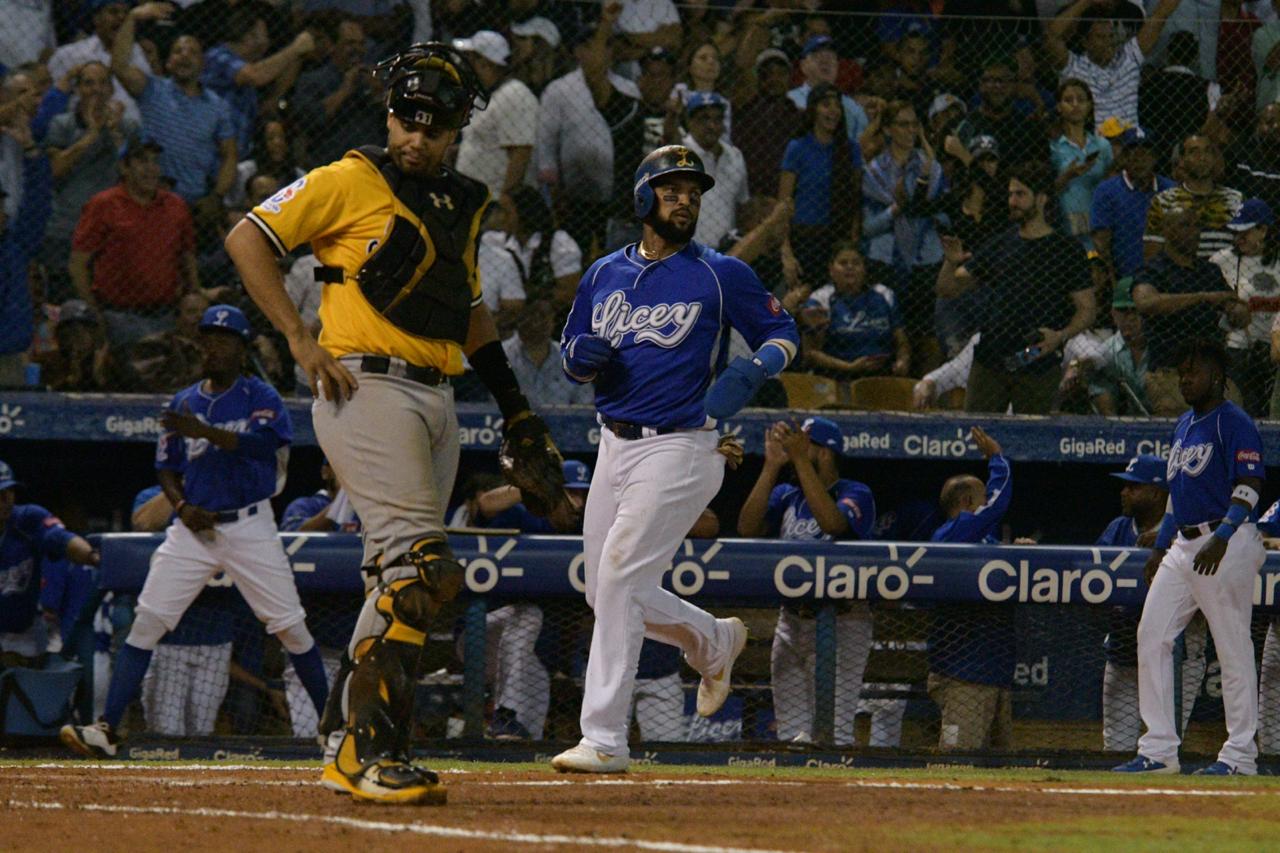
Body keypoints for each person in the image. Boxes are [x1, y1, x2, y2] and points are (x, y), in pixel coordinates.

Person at [225, 43, 563, 804]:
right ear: (389, 116)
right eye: (406, 120)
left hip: (437, 396)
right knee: (422, 569)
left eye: (432, 126)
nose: (416, 136)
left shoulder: (463, 202)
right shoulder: (349, 177)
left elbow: (470, 311)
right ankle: (374, 754)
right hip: (364, 385)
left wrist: (515, 408)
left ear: (456, 130)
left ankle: (345, 744)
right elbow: (247, 236)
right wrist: (297, 336)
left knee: (396, 580)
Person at [551, 144, 799, 773]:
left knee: (617, 579)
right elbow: (571, 350)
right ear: (644, 197)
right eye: (672, 190)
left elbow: (783, 331)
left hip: (684, 443)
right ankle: (712, 639)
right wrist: (580, 357)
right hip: (613, 442)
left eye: (693, 192)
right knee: (605, 591)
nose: (685, 200)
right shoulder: (603, 272)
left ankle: (604, 738)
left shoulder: (720, 272)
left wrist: (754, 369)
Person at [60, 305, 331, 758]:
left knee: (290, 628)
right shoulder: (184, 401)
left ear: (242, 349)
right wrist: (182, 506)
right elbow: (166, 467)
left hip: (249, 525)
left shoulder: (261, 396)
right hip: (193, 530)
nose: (214, 347)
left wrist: (203, 430)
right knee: (147, 623)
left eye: (225, 340)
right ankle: (106, 729)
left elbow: (263, 446)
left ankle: (332, 729)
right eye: (208, 339)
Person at [1115, 337, 1266, 776]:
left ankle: (1240, 755)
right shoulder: (1183, 424)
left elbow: (1250, 484)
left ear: (1216, 377)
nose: (1184, 380)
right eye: (1181, 373)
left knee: (1232, 647)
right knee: (1152, 634)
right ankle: (1159, 750)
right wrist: (1160, 547)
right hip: (1183, 544)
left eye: (1193, 373)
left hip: (1226, 540)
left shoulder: (1234, 422)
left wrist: (1223, 535)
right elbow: (1176, 495)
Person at [738, 416, 876, 747]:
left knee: (834, 733)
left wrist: (800, 460)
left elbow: (833, 523)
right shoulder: (787, 494)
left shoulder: (856, 492)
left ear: (825, 453)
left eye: (804, 444)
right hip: (791, 619)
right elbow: (747, 528)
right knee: (791, 733)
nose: (794, 448)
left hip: (842, 621)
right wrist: (771, 466)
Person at [937, 162, 1096, 414]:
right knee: (977, 430)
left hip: (1036, 359)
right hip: (991, 360)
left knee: (1033, 432)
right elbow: (948, 290)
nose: (1012, 201)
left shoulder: (1066, 250)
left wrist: (1060, 336)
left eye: (1020, 194)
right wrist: (950, 262)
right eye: (1010, 194)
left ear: (1041, 198)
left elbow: (1087, 309)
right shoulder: (999, 244)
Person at [925, 426, 1013, 749]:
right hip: (964, 675)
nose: (988, 503)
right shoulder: (953, 533)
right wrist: (997, 459)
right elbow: (999, 504)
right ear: (966, 502)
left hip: (992, 672)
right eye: (982, 498)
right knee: (956, 760)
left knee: (1001, 766)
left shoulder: (980, 538)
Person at [129, 485, 235, 738]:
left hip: (216, 635)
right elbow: (143, 524)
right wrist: (184, 485)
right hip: (168, 639)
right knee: (166, 731)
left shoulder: (227, 490)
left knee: (203, 731)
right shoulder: (153, 494)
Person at [69, 139, 196, 347]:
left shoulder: (176, 206)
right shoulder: (103, 204)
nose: (151, 169)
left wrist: (193, 293)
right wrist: (94, 311)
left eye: (155, 162)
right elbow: (78, 263)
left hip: (167, 315)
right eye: (142, 161)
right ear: (124, 168)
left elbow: (187, 256)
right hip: (119, 317)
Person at [109, 2, 237, 207]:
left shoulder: (218, 106)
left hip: (192, 200)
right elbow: (119, 66)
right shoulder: (152, 89)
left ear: (203, 64)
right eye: (178, 51)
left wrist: (217, 196)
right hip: (148, 196)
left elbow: (229, 155)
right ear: (168, 62)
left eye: (192, 52)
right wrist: (132, 18)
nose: (185, 55)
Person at [1133, 206, 1244, 416]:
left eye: (1197, 226)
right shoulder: (1153, 269)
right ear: (1167, 230)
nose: (1194, 232)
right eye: (1185, 225)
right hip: (1170, 371)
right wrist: (1201, 297)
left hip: (1211, 372)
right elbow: (1145, 302)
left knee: (1233, 416)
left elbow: (1232, 305)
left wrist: (1236, 309)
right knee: (1178, 417)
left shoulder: (1209, 271)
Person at [1095, 455, 1169, 753]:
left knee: (1166, 743)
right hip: (1123, 648)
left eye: (1134, 487)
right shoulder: (1118, 528)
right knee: (1116, 746)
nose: (1124, 492)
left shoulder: (1183, 531)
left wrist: (1167, 542)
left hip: (1172, 655)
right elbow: (1089, 576)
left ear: (1156, 493)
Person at [0, 459, 101, 670]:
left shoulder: (27, 518)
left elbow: (63, 540)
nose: (5, 499)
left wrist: (92, 557)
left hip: (22, 631)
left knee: (29, 686)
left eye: (8, 491)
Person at [861, 99, 943, 343]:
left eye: (914, 124)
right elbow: (868, 227)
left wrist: (922, 207)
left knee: (925, 332)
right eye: (903, 125)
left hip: (926, 258)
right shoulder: (874, 172)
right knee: (887, 333)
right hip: (886, 258)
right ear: (888, 129)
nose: (911, 130)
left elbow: (943, 215)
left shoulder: (932, 168)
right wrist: (896, 210)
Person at [1045, 0, 1183, 130]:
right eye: (1101, 37)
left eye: (1111, 36)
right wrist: (1087, 1)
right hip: (1091, 138)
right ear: (1085, 42)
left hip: (1128, 139)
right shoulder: (1073, 66)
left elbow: (1161, 14)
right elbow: (1051, 35)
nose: (1108, 42)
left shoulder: (1128, 59)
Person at [201, 5, 316, 156]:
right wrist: (295, 48)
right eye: (264, 35)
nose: (267, 42)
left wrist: (297, 57)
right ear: (249, 36)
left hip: (235, 155)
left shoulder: (247, 73)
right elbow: (255, 76)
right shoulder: (218, 56)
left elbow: (270, 102)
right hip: (210, 149)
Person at [778, 82, 862, 288]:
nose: (833, 111)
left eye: (837, 105)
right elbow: (783, 204)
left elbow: (856, 201)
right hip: (804, 239)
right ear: (813, 110)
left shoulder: (850, 149)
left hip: (838, 239)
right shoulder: (797, 148)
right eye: (826, 105)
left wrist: (852, 243)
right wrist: (786, 251)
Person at [798, 241, 910, 380]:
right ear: (831, 270)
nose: (850, 267)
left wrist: (903, 360)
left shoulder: (884, 294)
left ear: (864, 269)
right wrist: (849, 367)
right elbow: (810, 354)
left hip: (882, 374)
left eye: (856, 263)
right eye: (843, 263)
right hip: (836, 376)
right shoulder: (821, 298)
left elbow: (901, 340)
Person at [1210, 199, 1280, 418]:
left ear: (1263, 230)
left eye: (1245, 232)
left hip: (1274, 347)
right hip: (1238, 348)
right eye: (1236, 232)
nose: (1238, 238)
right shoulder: (1223, 260)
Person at [452, 30, 537, 200]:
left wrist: (505, 200)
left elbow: (520, 153)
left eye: (470, 58)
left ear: (486, 63)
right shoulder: (483, 96)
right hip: (472, 198)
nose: (463, 64)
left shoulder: (514, 94)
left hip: (494, 201)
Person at [293, 16, 384, 169]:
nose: (357, 49)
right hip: (328, 166)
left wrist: (380, 93)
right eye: (350, 43)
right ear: (333, 46)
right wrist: (345, 90)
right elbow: (308, 121)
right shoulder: (312, 80)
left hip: (369, 167)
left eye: (361, 43)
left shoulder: (372, 79)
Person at [1090, 126, 1174, 280]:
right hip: (1125, 277)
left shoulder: (1170, 189)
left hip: (1167, 277)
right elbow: (1101, 242)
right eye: (1133, 154)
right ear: (1123, 158)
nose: (1140, 160)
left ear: (1155, 157)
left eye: (1145, 154)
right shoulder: (1106, 191)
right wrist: (1113, 282)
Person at [1145, 135, 1243, 261]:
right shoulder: (1163, 200)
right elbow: (1152, 253)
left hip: (1227, 270)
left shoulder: (1235, 199)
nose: (1202, 158)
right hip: (1179, 271)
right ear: (1182, 160)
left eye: (1207, 151)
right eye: (1194, 152)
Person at [679, 92, 747, 250]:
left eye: (717, 119)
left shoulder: (735, 156)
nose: (712, 126)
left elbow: (742, 203)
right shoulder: (679, 153)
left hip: (726, 250)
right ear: (689, 122)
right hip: (684, 249)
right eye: (704, 119)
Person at [1050, 78, 1112, 245]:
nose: (1075, 105)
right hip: (1065, 228)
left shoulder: (1103, 146)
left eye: (1081, 99)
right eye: (1068, 100)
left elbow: (1111, 184)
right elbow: (1046, 191)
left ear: (1090, 105)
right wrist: (1068, 175)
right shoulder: (1053, 147)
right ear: (1059, 106)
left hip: (1099, 225)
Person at [733, 49, 800, 199]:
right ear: (759, 78)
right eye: (768, 74)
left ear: (789, 78)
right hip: (750, 192)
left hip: (788, 192)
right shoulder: (744, 113)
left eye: (781, 74)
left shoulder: (798, 117)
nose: (774, 79)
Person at [503, 301, 591, 406]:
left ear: (552, 321)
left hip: (561, 416)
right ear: (519, 320)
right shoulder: (503, 354)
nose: (536, 323)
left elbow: (586, 403)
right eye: (531, 316)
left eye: (543, 316)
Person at [786, 35, 868, 144]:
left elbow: (862, 146)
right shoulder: (789, 99)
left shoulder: (853, 108)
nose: (825, 61)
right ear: (803, 65)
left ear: (838, 66)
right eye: (817, 56)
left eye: (831, 57)